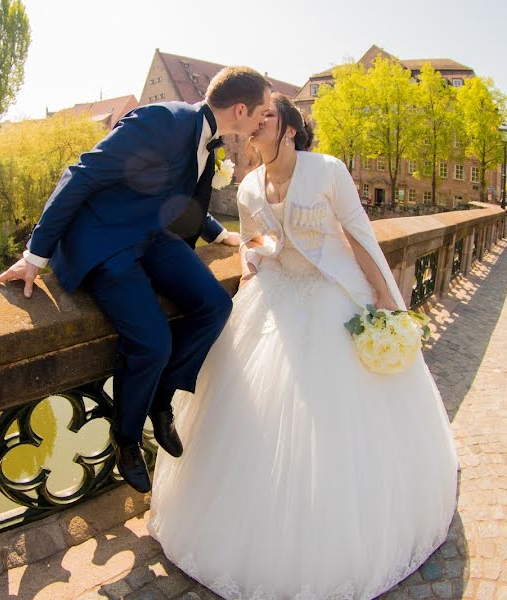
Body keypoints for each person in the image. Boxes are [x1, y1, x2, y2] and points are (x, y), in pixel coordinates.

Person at [149, 94, 458, 599]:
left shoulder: (328, 171)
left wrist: (382, 294)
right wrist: (251, 272)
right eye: (254, 119)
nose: (254, 125)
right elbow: (253, 245)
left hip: (335, 294)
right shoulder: (249, 187)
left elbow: (357, 232)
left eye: (266, 117)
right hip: (276, 296)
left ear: (289, 128)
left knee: (341, 418)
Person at [0, 67, 273, 493]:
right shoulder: (163, 120)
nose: (263, 122)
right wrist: (35, 255)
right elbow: (81, 173)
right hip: (106, 240)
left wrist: (217, 233)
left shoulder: (204, 137)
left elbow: (175, 193)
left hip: (150, 233)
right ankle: (125, 438)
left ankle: (161, 401)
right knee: (152, 340)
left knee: (215, 305)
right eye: (262, 112)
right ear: (239, 110)